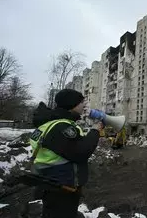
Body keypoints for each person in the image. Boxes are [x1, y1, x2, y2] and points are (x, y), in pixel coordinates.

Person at [30, 89, 103, 218]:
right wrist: (95, 131)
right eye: (81, 103)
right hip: (60, 188)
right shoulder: (61, 126)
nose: (84, 106)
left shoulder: (49, 124)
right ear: (72, 105)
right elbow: (80, 152)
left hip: (52, 184)